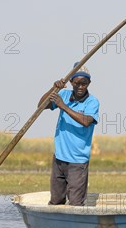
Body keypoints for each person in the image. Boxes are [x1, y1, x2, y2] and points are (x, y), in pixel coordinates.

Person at [38, 64, 99, 206]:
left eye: (84, 83)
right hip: (59, 157)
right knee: (56, 200)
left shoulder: (92, 102)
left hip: (78, 160)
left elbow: (86, 121)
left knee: (76, 202)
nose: (80, 87)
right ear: (71, 82)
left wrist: (63, 106)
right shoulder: (64, 95)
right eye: (77, 83)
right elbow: (41, 106)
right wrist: (54, 89)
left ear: (89, 83)